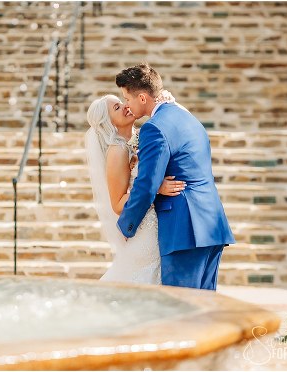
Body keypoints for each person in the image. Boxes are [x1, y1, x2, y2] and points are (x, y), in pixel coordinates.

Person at [115, 63, 235, 290]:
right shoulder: (189, 118)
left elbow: (146, 184)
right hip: (212, 225)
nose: (126, 105)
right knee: (203, 306)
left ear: (142, 98)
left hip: (184, 229)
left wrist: (127, 225)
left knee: (181, 305)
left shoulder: (154, 128)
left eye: (127, 99)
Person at [85, 94, 185, 284]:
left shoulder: (144, 136)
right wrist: (155, 188)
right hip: (145, 229)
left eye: (122, 102)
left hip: (164, 221)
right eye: (116, 108)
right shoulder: (117, 150)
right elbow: (117, 204)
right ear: (109, 123)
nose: (125, 106)